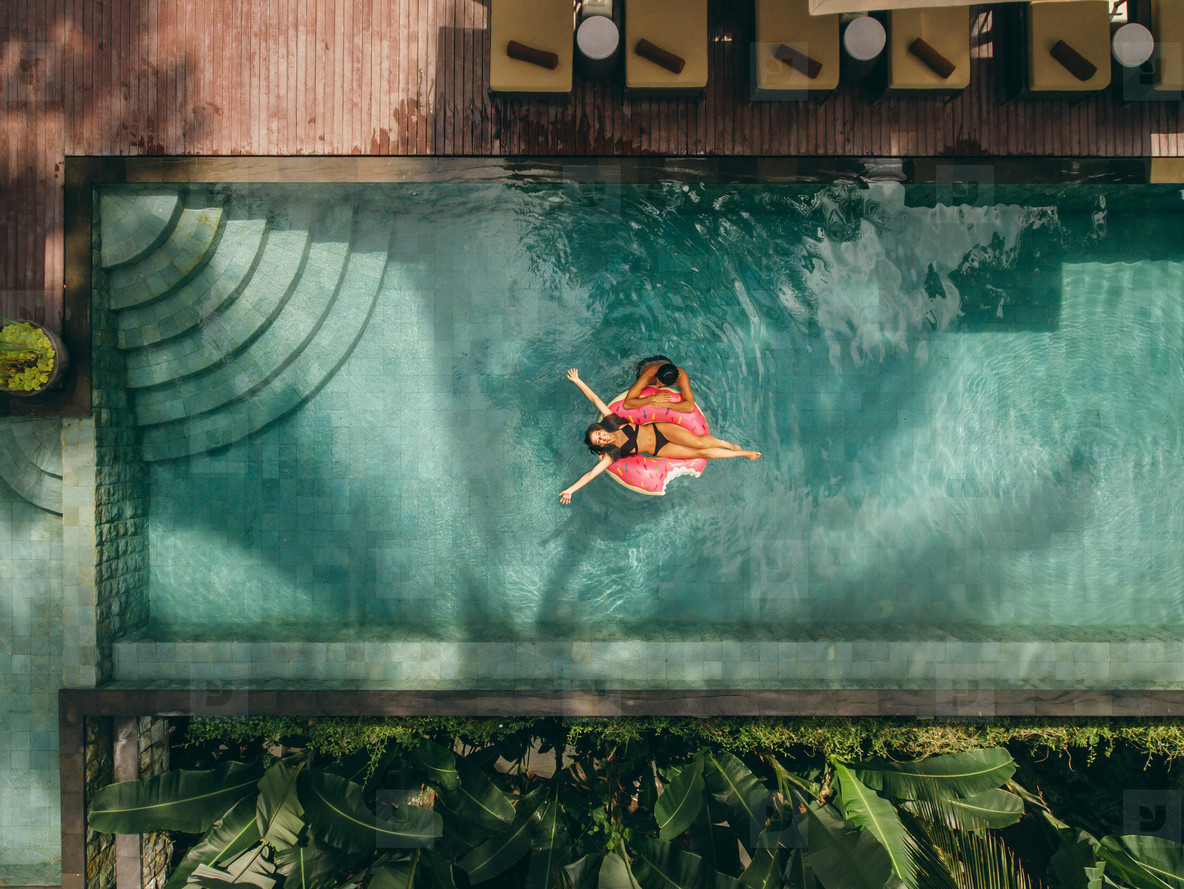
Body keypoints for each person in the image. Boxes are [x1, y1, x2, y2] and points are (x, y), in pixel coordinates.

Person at [560, 368, 760, 504]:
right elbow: (591, 474)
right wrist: (571, 490)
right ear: (600, 446)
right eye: (598, 441)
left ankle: (729, 444)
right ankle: (743, 454)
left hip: (660, 429)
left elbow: (595, 399)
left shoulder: (613, 421)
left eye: (599, 434)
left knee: (698, 442)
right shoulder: (611, 453)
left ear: (601, 428)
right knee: (699, 452)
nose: (602, 438)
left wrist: (578, 381)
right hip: (659, 449)